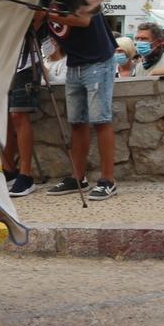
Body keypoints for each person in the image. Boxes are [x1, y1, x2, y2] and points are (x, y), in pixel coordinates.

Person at [43, 11, 117, 201]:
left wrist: (44, 13)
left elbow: (84, 20)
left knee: (101, 120)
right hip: (74, 63)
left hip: (98, 61)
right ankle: (78, 177)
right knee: (77, 122)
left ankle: (108, 180)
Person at [4, 29, 41, 197]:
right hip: (1, 59)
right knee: (3, 116)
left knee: (18, 114)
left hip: (25, 61)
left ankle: (25, 175)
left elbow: (38, 16)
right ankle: (8, 169)